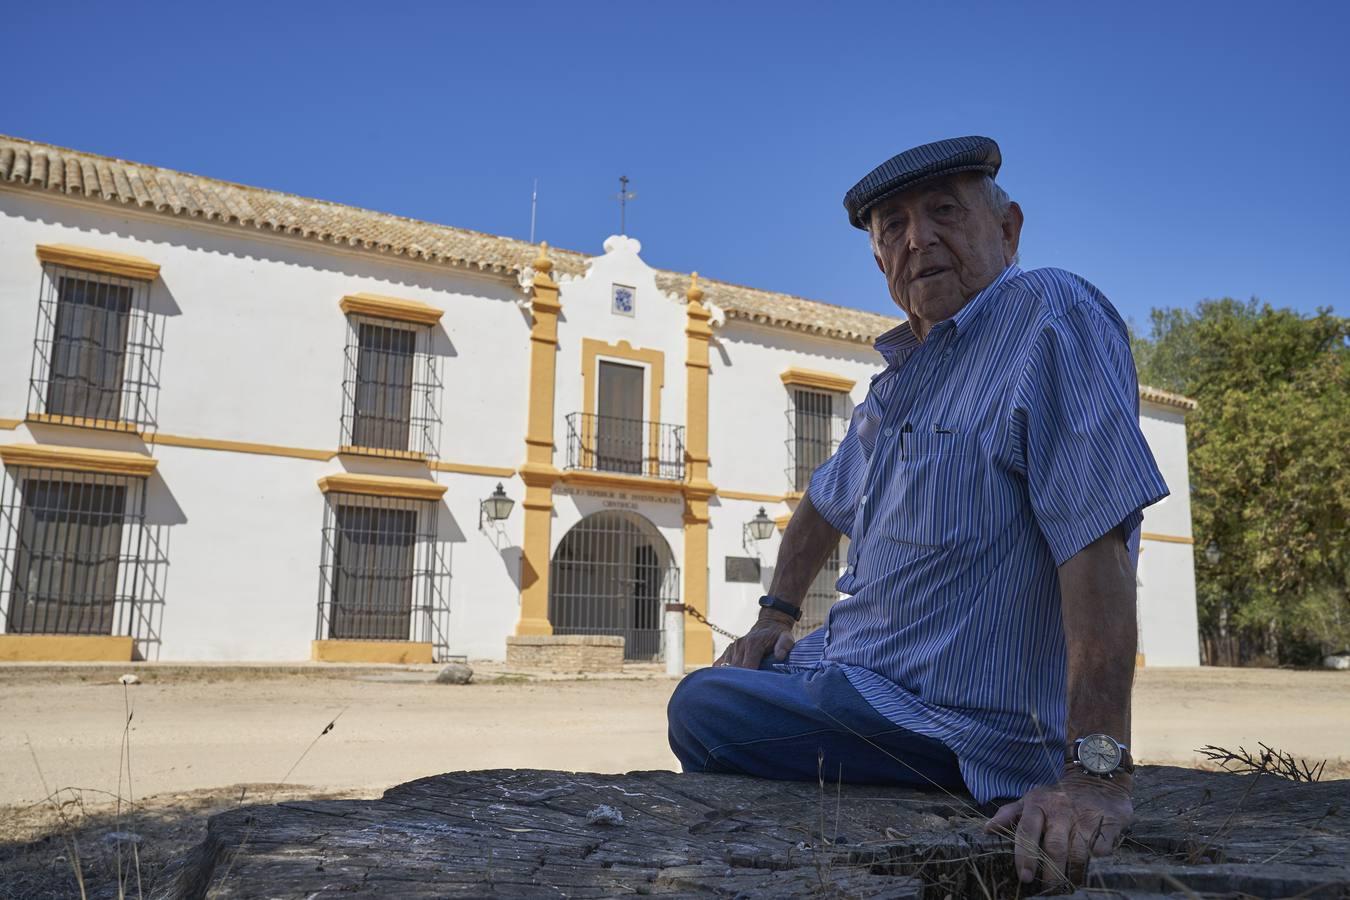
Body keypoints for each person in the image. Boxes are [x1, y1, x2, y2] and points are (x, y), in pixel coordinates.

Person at [667, 136, 1169, 887]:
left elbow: (1096, 544)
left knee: (703, 705)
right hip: (852, 680)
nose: (917, 239)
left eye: (944, 212)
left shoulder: (1048, 317)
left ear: (1008, 231)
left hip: (951, 725)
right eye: (892, 227)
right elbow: (821, 503)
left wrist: (1097, 775)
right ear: (879, 262)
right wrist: (775, 615)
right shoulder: (901, 383)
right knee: (733, 674)